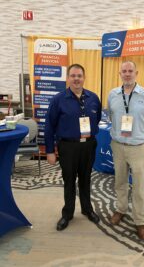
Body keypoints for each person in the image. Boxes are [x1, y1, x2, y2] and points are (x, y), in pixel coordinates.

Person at [45, 63, 101, 231]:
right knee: (69, 181)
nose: (76, 79)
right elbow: (49, 126)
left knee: (85, 179)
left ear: (84, 78)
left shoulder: (93, 98)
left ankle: (87, 209)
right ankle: (67, 214)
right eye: (73, 76)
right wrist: (49, 151)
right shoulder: (58, 100)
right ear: (68, 78)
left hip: (88, 146)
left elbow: (96, 119)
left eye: (79, 76)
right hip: (67, 147)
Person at [108, 61, 144, 240]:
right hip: (118, 146)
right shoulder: (113, 94)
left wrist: (139, 132)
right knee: (120, 181)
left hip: (138, 147)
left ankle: (140, 221)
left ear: (136, 73)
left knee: (139, 186)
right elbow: (111, 116)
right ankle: (121, 209)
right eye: (124, 71)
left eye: (130, 71)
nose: (127, 74)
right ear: (119, 73)